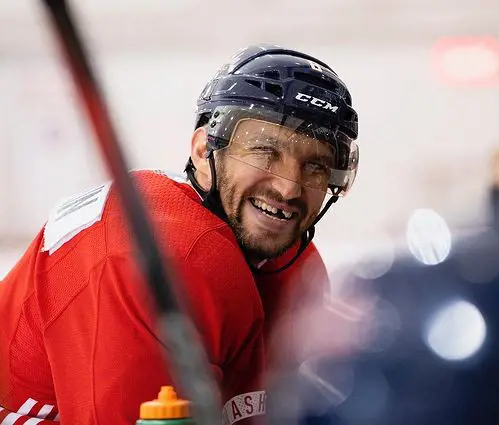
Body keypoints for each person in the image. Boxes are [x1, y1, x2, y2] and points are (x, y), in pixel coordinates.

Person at [0, 44, 360, 424]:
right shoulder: (162, 257)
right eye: (264, 151)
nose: (289, 188)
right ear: (205, 150)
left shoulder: (293, 265)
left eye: (315, 166)